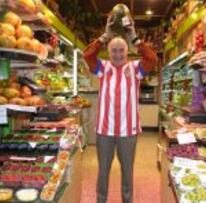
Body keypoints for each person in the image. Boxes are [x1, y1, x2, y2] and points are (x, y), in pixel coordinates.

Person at [83, 16, 157, 203]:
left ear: (127, 51)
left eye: (121, 50)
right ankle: (101, 200)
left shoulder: (135, 69)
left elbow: (152, 58)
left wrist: (135, 39)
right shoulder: (103, 68)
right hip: (104, 132)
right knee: (103, 171)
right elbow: (87, 56)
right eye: (114, 50)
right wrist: (104, 36)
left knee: (127, 172)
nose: (117, 54)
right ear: (109, 52)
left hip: (128, 132)